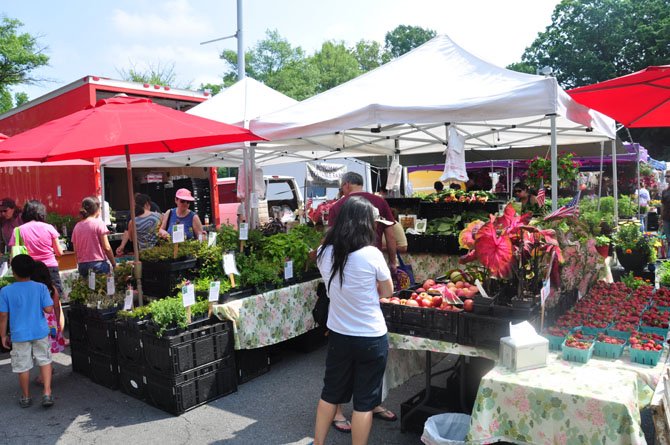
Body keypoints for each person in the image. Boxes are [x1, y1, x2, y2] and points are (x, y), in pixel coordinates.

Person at [313, 197, 394, 445]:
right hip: (370, 336)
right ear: (366, 223)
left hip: (339, 334)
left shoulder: (323, 253)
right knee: (364, 402)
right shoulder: (372, 254)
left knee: (330, 393)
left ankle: (318, 443)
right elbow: (388, 292)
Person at [0, 254, 55, 408]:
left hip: (19, 334)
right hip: (40, 330)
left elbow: (3, 315)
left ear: (13, 271)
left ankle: (26, 396)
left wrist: (3, 335)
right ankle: (47, 392)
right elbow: (48, 309)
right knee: (44, 360)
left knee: (22, 365)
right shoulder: (41, 287)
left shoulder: (5, 291)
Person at [9, 200, 64, 294]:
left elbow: (12, 258)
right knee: (54, 295)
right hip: (49, 268)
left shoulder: (18, 231)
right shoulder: (49, 227)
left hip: (29, 270)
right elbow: (59, 252)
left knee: (33, 297)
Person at [71, 196, 116, 277]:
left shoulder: (77, 226)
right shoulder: (99, 223)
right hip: (98, 264)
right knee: (102, 289)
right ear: (97, 209)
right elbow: (106, 247)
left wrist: (79, 263)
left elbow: (75, 249)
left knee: (87, 289)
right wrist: (113, 264)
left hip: (82, 265)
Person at [32, 260, 67, 357]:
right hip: (51, 323)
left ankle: (47, 367)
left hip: (39, 322)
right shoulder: (51, 288)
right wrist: (58, 322)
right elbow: (57, 307)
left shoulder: (33, 290)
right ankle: (48, 366)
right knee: (50, 345)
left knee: (42, 348)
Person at [661, 172, 670, 255]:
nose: (667, 178)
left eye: (668, 176)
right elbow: (663, 205)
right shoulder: (664, 191)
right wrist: (661, 218)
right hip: (666, 217)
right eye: (666, 176)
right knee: (668, 237)